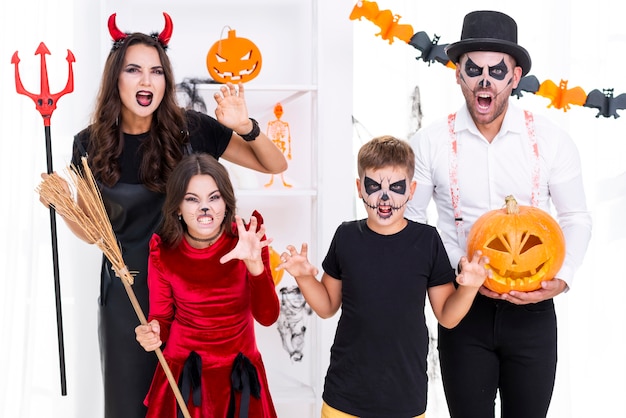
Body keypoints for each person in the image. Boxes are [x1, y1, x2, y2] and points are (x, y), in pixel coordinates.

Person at [41, 13, 286, 418]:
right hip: (128, 293)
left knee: (196, 402)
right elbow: (92, 233)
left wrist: (246, 126)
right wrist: (62, 203)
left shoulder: (191, 129)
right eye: (133, 70)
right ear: (115, 79)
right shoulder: (89, 144)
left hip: (195, 295)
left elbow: (274, 166)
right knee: (130, 405)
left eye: (156, 71)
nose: (146, 81)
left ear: (166, 80)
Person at [405, 10, 593, 418]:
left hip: (533, 312)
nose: (484, 80)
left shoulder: (550, 140)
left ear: (515, 76)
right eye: (474, 69)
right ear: (458, 74)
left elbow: (576, 217)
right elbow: (414, 222)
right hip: (463, 307)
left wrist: (563, 279)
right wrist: (461, 268)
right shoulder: (430, 142)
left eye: (496, 70)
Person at [277, 135, 490, 417]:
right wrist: (304, 277)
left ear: (411, 190)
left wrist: (469, 288)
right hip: (345, 396)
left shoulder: (426, 240)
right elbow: (327, 307)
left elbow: (447, 317)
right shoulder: (346, 236)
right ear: (359, 188)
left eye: (396, 187)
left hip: (405, 397)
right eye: (374, 186)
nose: (384, 197)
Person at [134, 153, 279, 417]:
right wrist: (153, 331)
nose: (205, 208)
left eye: (214, 197)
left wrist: (255, 265)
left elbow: (268, 318)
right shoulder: (163, 252)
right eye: (192, 199)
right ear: (177, 206)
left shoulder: (249, 238)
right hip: (185, 376)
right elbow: (162, 318)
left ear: (226, 201)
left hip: (240, 376)